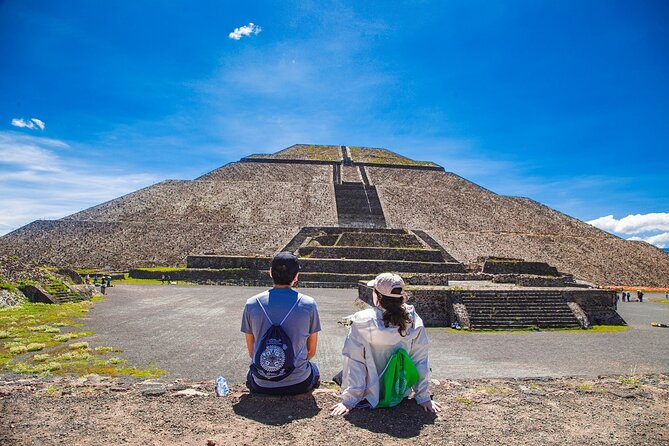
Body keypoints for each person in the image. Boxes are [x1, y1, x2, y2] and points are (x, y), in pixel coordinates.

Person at [331, 273, 442, 416]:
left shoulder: (361, 322)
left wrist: (349, 400)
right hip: (398, 389)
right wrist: (423, 397)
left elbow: (355, 362)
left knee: (342, 373)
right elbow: (420, 359)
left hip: (370, 391)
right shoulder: (413, 319)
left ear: (378, 296)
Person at [241, 251, 321, 395]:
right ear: (296, 276)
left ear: (270, 272)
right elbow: (311, 351)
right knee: (313, 368)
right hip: (298, 382)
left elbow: (252, 352)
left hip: (261, 383)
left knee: (251, 372)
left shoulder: (252, 303)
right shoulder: (309, 304)